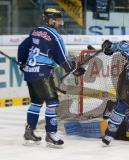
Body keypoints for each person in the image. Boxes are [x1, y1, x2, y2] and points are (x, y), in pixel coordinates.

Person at [17, 8, 85, 146]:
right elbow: (62, 58)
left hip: (30, 73)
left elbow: (22, 47)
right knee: (52, 102)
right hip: (42, 74)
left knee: (36, 102)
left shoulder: (35, 31)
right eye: (58, 21)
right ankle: (51, 134)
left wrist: (22, 62)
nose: (59, 23)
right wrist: (73, 69)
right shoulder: (55, 36)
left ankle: (29, 131)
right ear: (51, 20)